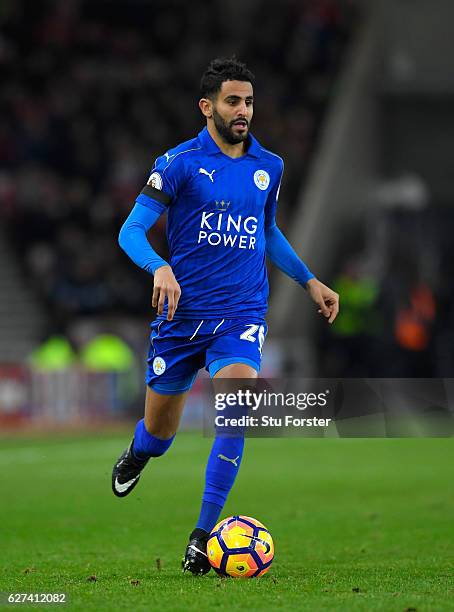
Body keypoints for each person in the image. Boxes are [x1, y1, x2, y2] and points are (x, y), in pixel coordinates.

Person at [111, 57, 339, 575]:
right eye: (233, 101)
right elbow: (130, 231)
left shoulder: (269, 166)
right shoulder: (177, 163)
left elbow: (267, 234)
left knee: (237, 406)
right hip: (180, 316)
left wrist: (309, 280)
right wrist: (159, 266)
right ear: (207, 106)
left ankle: (202, 534)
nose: (243, 111)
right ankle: (139, 453)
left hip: (241, 313)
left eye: (249, 101)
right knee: (159, 435)